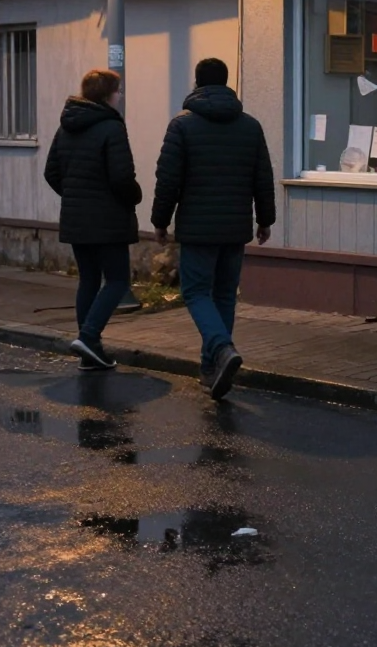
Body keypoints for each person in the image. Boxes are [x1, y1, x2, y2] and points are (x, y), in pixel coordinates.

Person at [151, 58, 276, 400]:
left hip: (198, 228)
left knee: (195, 293)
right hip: (235, 227)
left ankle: (220, 349)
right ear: (226, 83)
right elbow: (262, 177)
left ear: (197, 83)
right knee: (223, 295)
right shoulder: (250, 126)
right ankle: (211, 369)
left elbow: (168, 179)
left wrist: (160, 221)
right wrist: (266, 219)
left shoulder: (182, 126)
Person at [44, 69, 142, 370]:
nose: (120, 95)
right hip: (108, 220)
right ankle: (88, 337)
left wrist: (75, 196)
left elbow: (51, 173)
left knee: (88, 280)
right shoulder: (112, 127)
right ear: (106, 95)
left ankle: (90, 351)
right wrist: (134, 197)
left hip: (77, 218)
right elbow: (122, 177)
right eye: (118, 90)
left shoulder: (66, 128)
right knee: (117, 281)